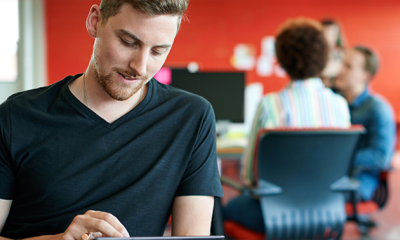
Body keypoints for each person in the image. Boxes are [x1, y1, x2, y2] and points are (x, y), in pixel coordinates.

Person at [0, 1, 223, 239]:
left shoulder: (192, 117)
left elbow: (192, 236)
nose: (140, 66)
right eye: (128, 42)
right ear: (95, 21)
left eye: (158, 51)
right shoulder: (16, 116)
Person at [223, 17, 351, 233]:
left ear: (282, 59)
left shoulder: (271, 105)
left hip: (275, 216)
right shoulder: (340, 105)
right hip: (328, 214)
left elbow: (249, 176)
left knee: (220, 209)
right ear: (324, 56)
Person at [335, 46, 396, 201]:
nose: (340, 70)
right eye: (341, 64)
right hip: (331, 177)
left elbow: (381, 157)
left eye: (348, 66)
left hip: (358, 183)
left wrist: (336, 157)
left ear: (364, 76)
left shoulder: (378, 109)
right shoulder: (334, 103)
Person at [320, 19, 346, 88]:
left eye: (332, 34)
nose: (328, 37)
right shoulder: (313, 55)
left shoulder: (344, 55)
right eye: (325, 33)